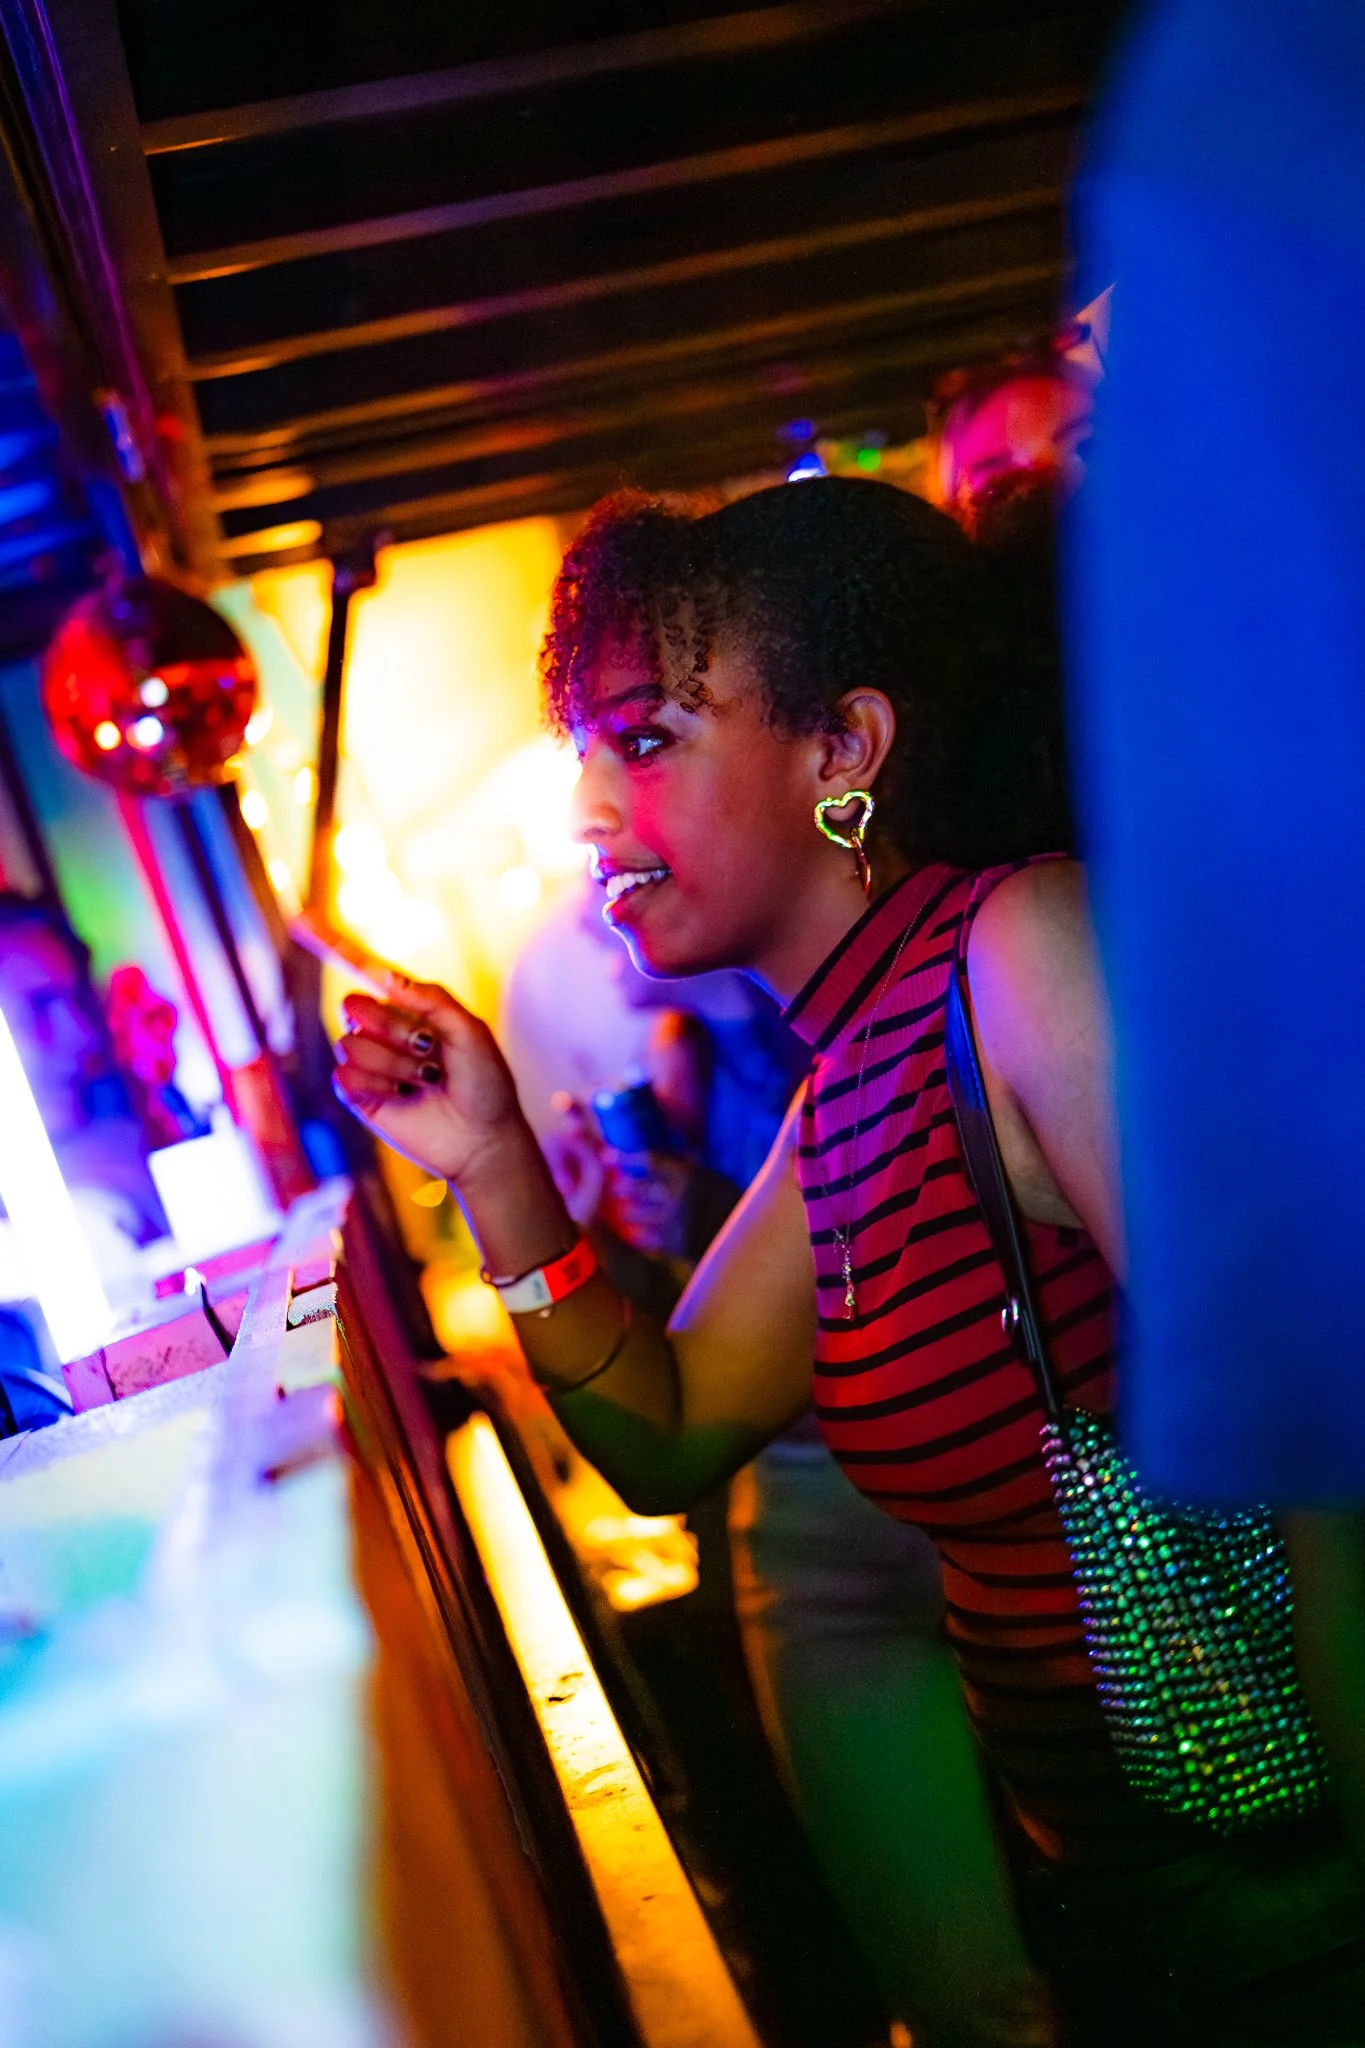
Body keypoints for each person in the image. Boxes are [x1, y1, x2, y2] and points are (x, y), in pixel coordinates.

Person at [333, 478, 1365, 2044]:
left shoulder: (1017, 956)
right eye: (589, 752)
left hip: (1292, 1928)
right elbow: (668, 1433)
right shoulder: (852, 1080)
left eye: (647, 739)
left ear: (843, 753)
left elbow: (1316, 1440)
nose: (590, 813)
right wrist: (492, 1164)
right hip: (1146, 1927)